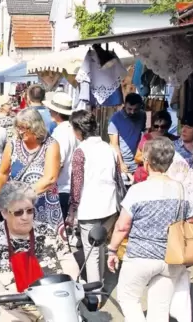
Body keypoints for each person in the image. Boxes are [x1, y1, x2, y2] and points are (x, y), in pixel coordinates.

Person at [107, 137, 193, 321]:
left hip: (140, 257)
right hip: (171, 258)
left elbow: (122, 227)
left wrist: (112, 250)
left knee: (128, 299)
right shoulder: (181, 190)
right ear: (170, 162)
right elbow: (190, 222)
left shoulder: (138, 191)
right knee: (160, 308)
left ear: (146, 162)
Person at [0, 181, 79, 322]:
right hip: (14, 306)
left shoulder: (47, 230)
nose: (26, 217)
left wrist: (73, 283)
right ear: (4, 213)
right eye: (18, 212)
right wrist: (3, 296)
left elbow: (67, 259)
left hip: (54, 301)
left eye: (29, 210)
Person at [67, 110, 122, 301]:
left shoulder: (81, 151)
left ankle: (94, 295)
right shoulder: (109, 148)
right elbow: (117, 177)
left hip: (89, 207)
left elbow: (76, 186)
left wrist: (72, 211)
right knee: (99, 246)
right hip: (110, 206)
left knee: (92, 252)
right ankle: (100, 286)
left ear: (77, 130)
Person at [0, 107, 62, 229]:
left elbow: (50, 179)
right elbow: (2, 173)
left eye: (23, 128)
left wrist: (21, 197)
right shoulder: (13, 144)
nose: (19, 131)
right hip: (16, 209)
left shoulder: (51, 145)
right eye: (18, 127)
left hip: (42, 208)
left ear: (35, 127)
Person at [47, 92, 78, 218]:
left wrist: (48, 184)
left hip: (61, 187)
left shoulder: (61, 133)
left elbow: (58, 163)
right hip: (69, 186)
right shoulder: (72, 130)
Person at [108, 93, 146, 177]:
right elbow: (114, 144)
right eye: (129, 109)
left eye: (136, 109)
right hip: (122, 162)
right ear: (124, 105)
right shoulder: (115, 119)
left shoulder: (142, 115)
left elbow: (144, 136)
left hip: (138, 161)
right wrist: (120, 163)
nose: (132, 112)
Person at [134, 110, 178, 183]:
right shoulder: (147, 138)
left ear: (169, 125)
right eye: (156, 126)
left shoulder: (174, 139)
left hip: (166, 178)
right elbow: (137, 158)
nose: (159, 129)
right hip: (145, 176)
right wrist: (155, 160)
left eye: (163, 126)